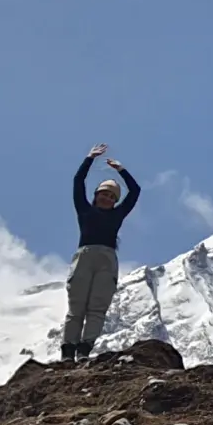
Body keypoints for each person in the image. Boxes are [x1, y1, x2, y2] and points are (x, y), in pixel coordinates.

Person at [63, 144, 141, 361]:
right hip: (85, 256)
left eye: (112, 196)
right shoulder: (84, 210)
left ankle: (84, 350)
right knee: (76, 307)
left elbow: (135, 191)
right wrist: (89, 159)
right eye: (104, 194)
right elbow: (78, 182)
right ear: (96, 196)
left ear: (115, 201)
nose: (107, 198)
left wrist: (121, 170)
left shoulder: (117, 215)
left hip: (106, 260)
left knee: (97, 308)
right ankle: (67, 352)